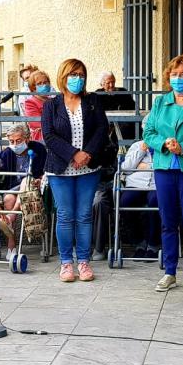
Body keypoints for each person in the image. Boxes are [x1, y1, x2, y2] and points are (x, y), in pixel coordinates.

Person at [144, 53, 183, 294]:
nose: (178, 78)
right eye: (174, 74)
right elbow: (148, 132)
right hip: (164, 168)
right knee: (168, 222)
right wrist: (163, 143)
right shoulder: (160, 102)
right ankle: (169, 271)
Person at [41, 58, 109, 283]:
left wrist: (86, 153)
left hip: (88, 168)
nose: (77, 79)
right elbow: (49, 136)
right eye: (73, 74)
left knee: (84, 215)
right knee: (65, 215)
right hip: (60, 169)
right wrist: (73, 154)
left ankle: (83, 262)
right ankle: (66, 263)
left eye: (81, 75)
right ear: (63, 76)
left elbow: (102, 129)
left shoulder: (92, 101)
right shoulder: (51, 105)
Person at [0, 124, 46, 258]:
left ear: (27, 139)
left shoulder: (38, 149)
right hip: (13, 189)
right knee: (8, 199)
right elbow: (0, 175)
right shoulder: (7, 153)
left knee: (26, 181)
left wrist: (40, 179)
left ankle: (10, 217)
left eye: (18, 141)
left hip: (32, 188)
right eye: (11, 141)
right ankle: (11, 247)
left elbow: (44, 171)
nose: (15, 144)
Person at [118, 139, 161, 260]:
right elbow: (126, 168)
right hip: (135, 184)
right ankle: (139, 243)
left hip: (156, 184)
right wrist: (142, 150)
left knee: (155, 201)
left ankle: (153, 244)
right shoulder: (136, 146)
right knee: (125, 202)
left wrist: (146, 166)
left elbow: (165, 166)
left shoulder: (163, 144)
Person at [24, 71, 51, 142]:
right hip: (40, 139)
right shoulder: (30, 103)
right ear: (33, 88)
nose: (44, 85)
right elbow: (36, 123)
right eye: (39, 84)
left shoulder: (53, 100)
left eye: (45, 82)